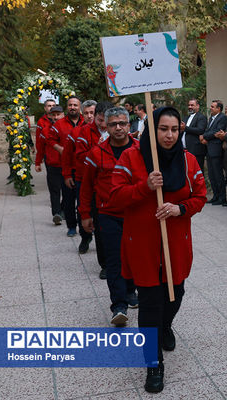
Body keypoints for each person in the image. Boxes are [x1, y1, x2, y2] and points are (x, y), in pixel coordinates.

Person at [110, 106, 207, 393]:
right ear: (152, 131)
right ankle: (153, 363)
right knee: (151, 304)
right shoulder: (130, 157)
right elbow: (114, 198)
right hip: (142, 245)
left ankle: (166, 325)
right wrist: (144, 186)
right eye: (163, 129)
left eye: (174, 129)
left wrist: (180, 208)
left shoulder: (188, 161)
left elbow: (200, 196)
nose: (169, 135)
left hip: (175, 244)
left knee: (175, 295)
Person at [79, 107, 139, 326]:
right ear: (106, 126)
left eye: (122, 123)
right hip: (108, 214)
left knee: (135, 257)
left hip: (136, 214)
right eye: (113, 124)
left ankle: (131, 290)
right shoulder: (96, 153)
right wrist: (85, 214)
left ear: (129, 125)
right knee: (114, 261)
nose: (118, 128)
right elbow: (86, 187)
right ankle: (119, 306)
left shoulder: (141, 149)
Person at [76, 101, 114, 278]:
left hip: (115, 187)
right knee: (100, 228)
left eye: (107, 121)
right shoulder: (85, 131)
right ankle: (105, 264)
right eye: (100, 120)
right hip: (93, 185)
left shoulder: (117, 129)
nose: (103, 124)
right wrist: (97, 149)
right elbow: (80, 156)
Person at [50, 96, 84, 236]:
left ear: (79, 107)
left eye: (75, 105)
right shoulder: (59, 124)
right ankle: (71, 226)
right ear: (67, 107)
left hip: (83, 167)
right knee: (69, 200)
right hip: (68, 167)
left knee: (83, 201)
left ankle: (86, 226)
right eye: (70, 105)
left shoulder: (86, 122)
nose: (72, 107)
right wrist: (62, 150)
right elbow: (51, 140)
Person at [62, 99, 95, 241]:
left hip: (99, 178)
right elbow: (67, 155)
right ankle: (84, 237)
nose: (89, 116)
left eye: (92, 113)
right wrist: (67, 174)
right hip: (80, 176)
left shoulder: (105, 131)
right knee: (82, 206)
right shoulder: (76, 132)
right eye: (86, 113)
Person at [202, 100, 227, 205]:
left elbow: (217, 131)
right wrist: (206, 135)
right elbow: (209, 131)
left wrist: (204, 136)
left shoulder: (222, 118)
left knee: (218, 175)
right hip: (209, 149)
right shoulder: (211, 118)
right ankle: (215, 196)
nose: (211, 108)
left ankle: (222, 197)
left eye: (213, 107)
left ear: (219, 109)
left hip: (216, 150)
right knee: (212, 175)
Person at [43, 105, 66, 224]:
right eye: (54, 114)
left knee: (68, 191)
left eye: (58, 114)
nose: (56, 117)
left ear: (63, 114)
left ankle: (62, 210)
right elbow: (41, 146)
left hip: (66, 164)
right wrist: (38, 162)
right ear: (50, 116)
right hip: (52, 164)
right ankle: (56, 214)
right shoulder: (46, 129)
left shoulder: (69, 127)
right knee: (54, 191)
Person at [181, 99, 207, 168]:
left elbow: (200, 130)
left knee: (197, 170)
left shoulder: (201, 117)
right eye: (189, 105)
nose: (190, 107)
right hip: (184, 149)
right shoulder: (186, 118)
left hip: (195, 150)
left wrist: (185, 128)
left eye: (192, 105)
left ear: (197, 106)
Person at [35, 99, 57, 173]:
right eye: (49, 106)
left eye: (54, 105)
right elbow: (39, 142)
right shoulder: (41, 122)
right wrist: (38, 161)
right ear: (45, 108)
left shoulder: (61, 120)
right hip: (48, 154)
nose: (52, 107)